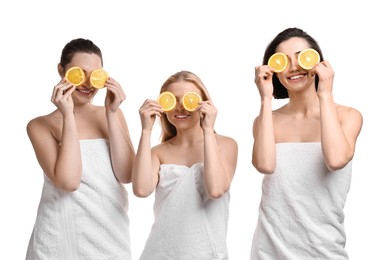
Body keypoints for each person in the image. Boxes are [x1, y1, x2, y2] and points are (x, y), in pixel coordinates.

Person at [250, 27, 363, 259]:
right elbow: (264, 165)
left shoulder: (348, 116)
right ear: (275, 71)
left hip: (324, 250)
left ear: (317, 63)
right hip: (269, 250)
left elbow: (336, 159)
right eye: (283, 61)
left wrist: (325, 95)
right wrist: (265, 99)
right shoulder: (266, 120)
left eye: (301, 57)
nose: (293, 67)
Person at [25, 38, 135, 259]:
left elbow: (127, 175)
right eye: (79, 73)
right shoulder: (40, 125)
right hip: (61, 235)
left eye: (94, 74)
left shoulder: (112, 114)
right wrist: (68, 115)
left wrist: (112, 114)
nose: (87, 84)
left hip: (111, 235)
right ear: (61, 71)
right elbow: (68, 181)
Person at [132, 71, 238, 259]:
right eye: (172, 100)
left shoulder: (226, 145)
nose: (180, 108)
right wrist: (146, 131)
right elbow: (141, 190)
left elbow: (215, 190)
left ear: (204, 104)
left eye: (188, 100)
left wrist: (207, 130)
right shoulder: (158, 152)